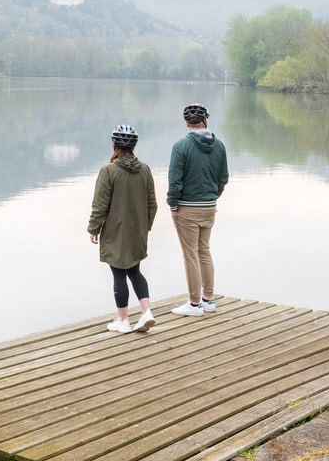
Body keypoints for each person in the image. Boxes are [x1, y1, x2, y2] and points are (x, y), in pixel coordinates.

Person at [87, 124, 158, 333]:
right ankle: (147, 313)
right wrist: (146, 227)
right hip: (138, 230)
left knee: (118, 274)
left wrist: (93, 228)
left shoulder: (108, 171)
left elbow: (100, 204)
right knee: (135, 271)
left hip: (115, 231)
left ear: (114, 144)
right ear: (134, 146)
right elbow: (152, 204)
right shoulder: (144, 169)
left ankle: (123, 321)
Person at [166, 103, 228, 316]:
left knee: (190, 255)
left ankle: (194, 304)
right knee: (204, 251)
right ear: (206, 120)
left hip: (187, 208)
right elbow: (223, 179)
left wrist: (173, 205)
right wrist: (213, 197)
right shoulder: (219, 146)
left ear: (186, 123)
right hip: (209, 207)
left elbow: (174, 182)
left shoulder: (180, 146)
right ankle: (208, 300)